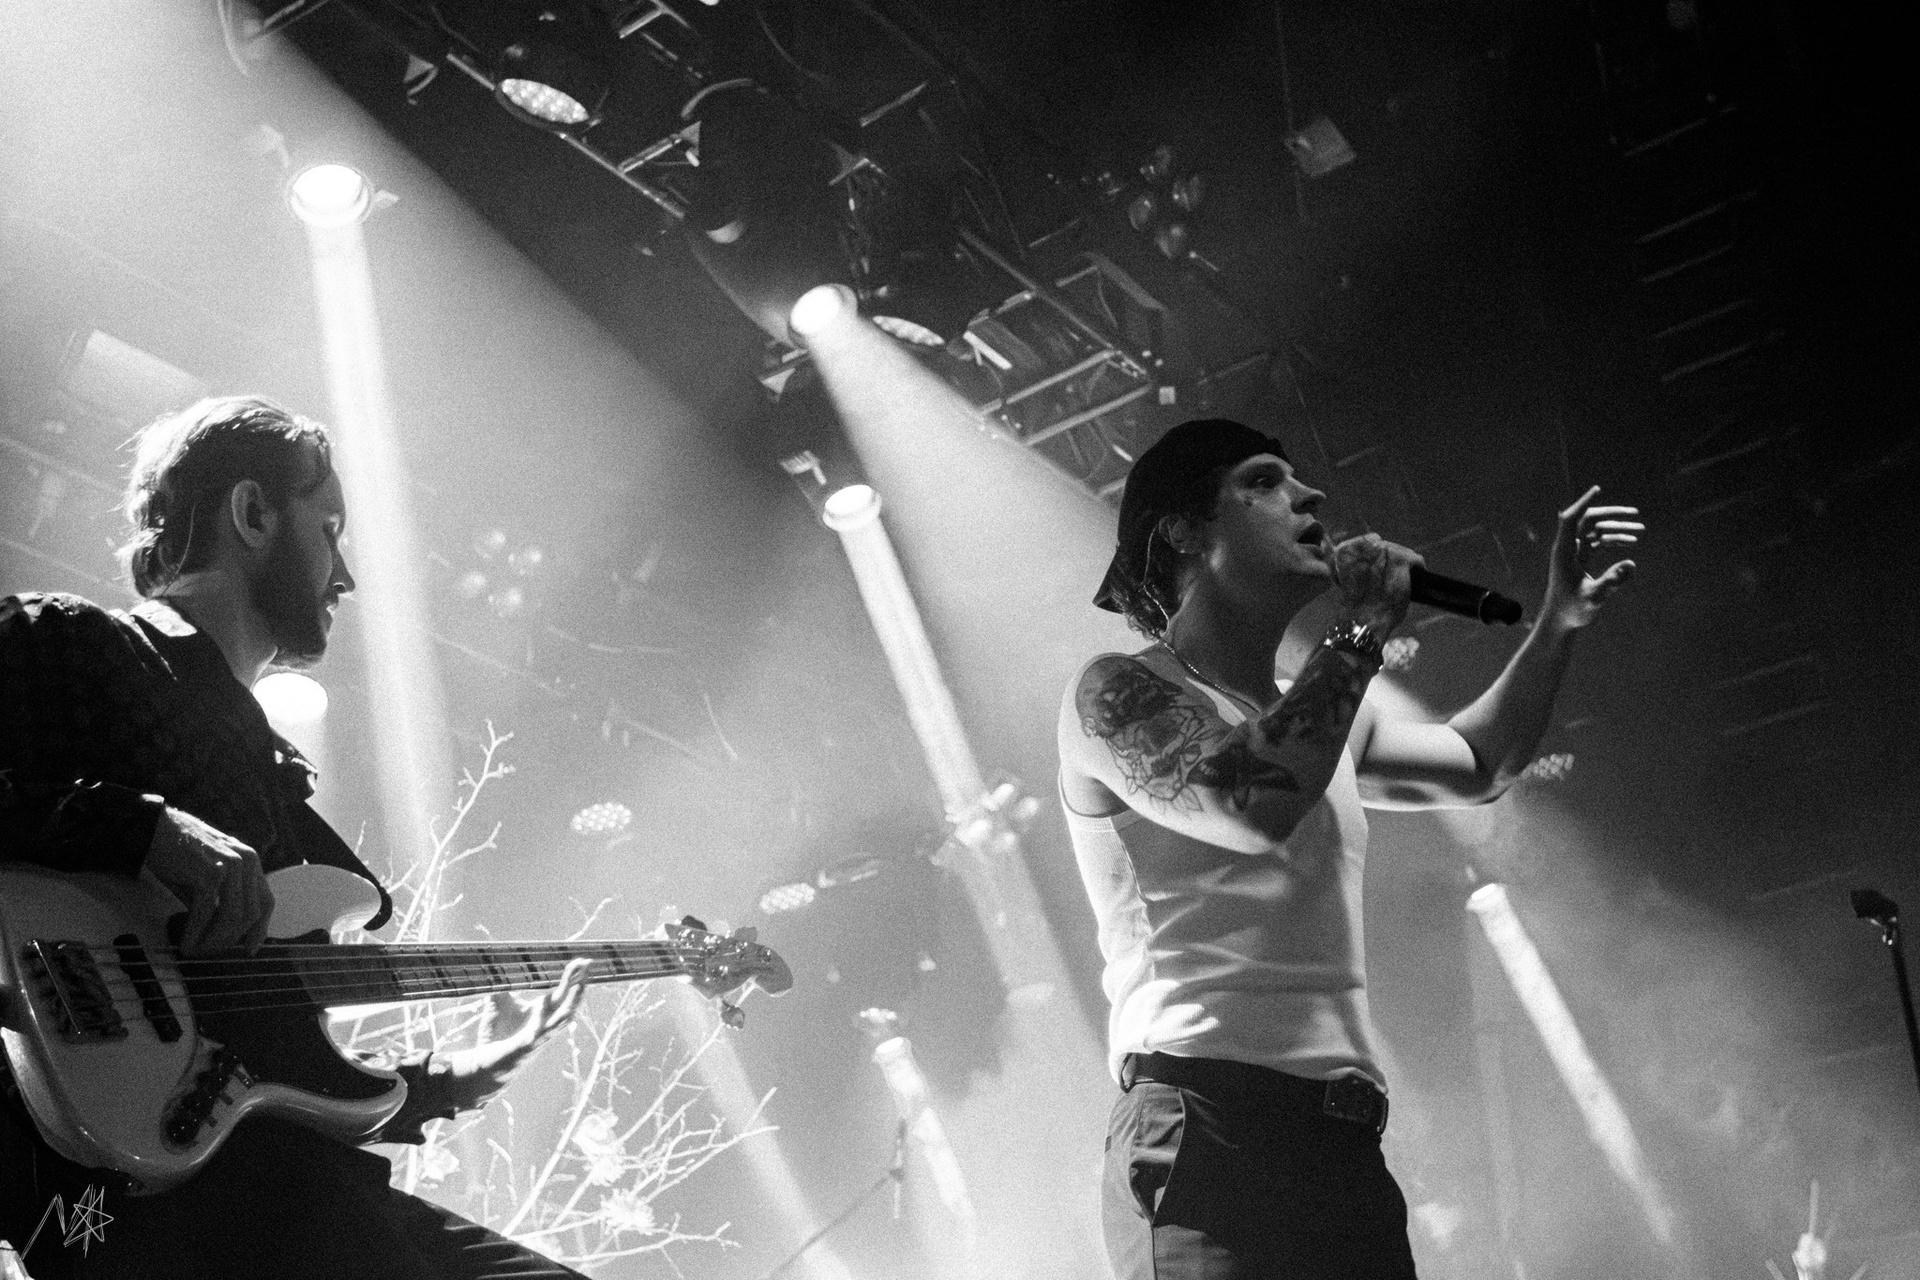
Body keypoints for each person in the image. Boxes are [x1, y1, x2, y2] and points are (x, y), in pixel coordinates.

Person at [0, 396, 591, 1280]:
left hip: (292, 1195)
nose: (344, 576)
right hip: (128, 1213)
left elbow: (269, 1067)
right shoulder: (71, 645)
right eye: (330, 529)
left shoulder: (276, 786)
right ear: (252, 513)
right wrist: (141, 828)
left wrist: (468, 1074)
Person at [1056, 418, 1641, 1279]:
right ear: (1180, 531)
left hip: (1340, 1143)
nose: (1311, 496)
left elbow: (1480, 764)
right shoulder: (1118, 689)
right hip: (1204, 1123)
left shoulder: (1318, 712)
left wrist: (1559, 620)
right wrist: (1363, 626)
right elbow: (1247, 803)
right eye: (1264, 481)